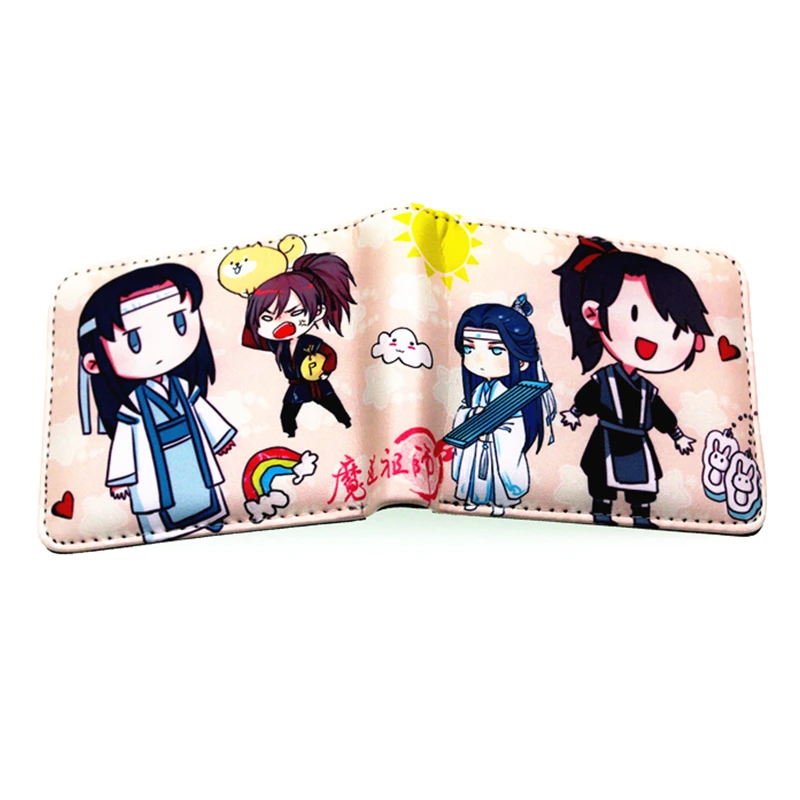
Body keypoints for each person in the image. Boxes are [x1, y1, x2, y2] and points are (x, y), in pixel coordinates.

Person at [554, 237, 712, 528]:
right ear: (592, 313)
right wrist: (574, 412)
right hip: (608, 437)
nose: (651, 340)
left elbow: (661, 413)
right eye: (635, 315)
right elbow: (588, 397)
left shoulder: (647, 390)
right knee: (602, 480)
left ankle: (641, 517)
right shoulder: (604, 378)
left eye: (675, 332)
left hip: (637, 440)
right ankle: (601, 513)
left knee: (643, 484)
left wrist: (677, 435)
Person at [78, 264, 236, 543]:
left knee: (202, 489)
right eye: (134, 340)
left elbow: (202, 411)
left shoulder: (182, 388)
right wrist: (121, 479)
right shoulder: (133, 407)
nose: (162, 348)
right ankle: (165, 532)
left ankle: (211, 519)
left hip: (191, 451)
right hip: (155, 460)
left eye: (179, 323)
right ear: (93, 363)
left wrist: (220, 438)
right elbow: (125, 443)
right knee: (162, 498)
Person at [450, 296, 556, 515]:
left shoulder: (513, 395)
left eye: (496, 350)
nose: (479, 360)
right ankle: (473, 499)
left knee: (496, 477)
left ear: (522, 361)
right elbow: (462, 413)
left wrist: (492, 428)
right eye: (469, 349)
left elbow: (515, 429)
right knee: (474, 473)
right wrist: (472, 415)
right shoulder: (478, 392)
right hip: (476, 447)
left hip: (496, 446)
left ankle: (499, 503)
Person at [242, 251, 356, 437]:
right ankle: (290, 434)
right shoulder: (277, 345)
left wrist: (326, 370)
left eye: (295, 313)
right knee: (287, 414)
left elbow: (329, 354)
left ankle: (346, 422)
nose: (282, 322)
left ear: (318, 311)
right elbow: (250, 339)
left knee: (334, 405)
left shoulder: (312, 341)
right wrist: (251, 305)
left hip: (318, 383)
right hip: (297, 386)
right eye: (268, 317)